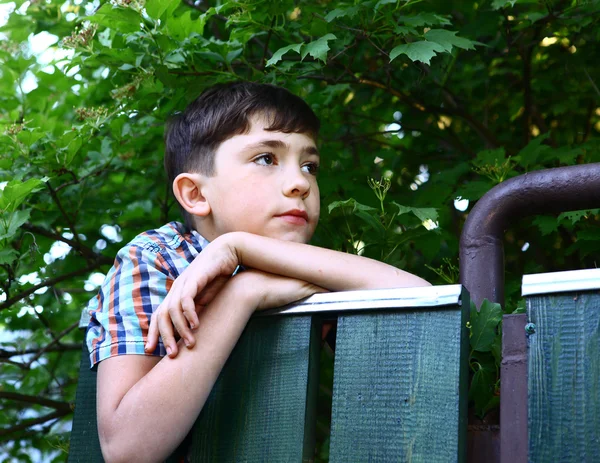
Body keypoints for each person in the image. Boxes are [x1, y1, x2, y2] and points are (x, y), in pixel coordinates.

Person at [86, 81, 430, 463]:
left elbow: (418, 300)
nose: (301, 183)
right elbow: (127, 448)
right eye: (266, 158)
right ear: (196, 194)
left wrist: (239, 247)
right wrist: (242, 292)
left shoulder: (295, 266)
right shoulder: (158, 259)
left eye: (310, 166)